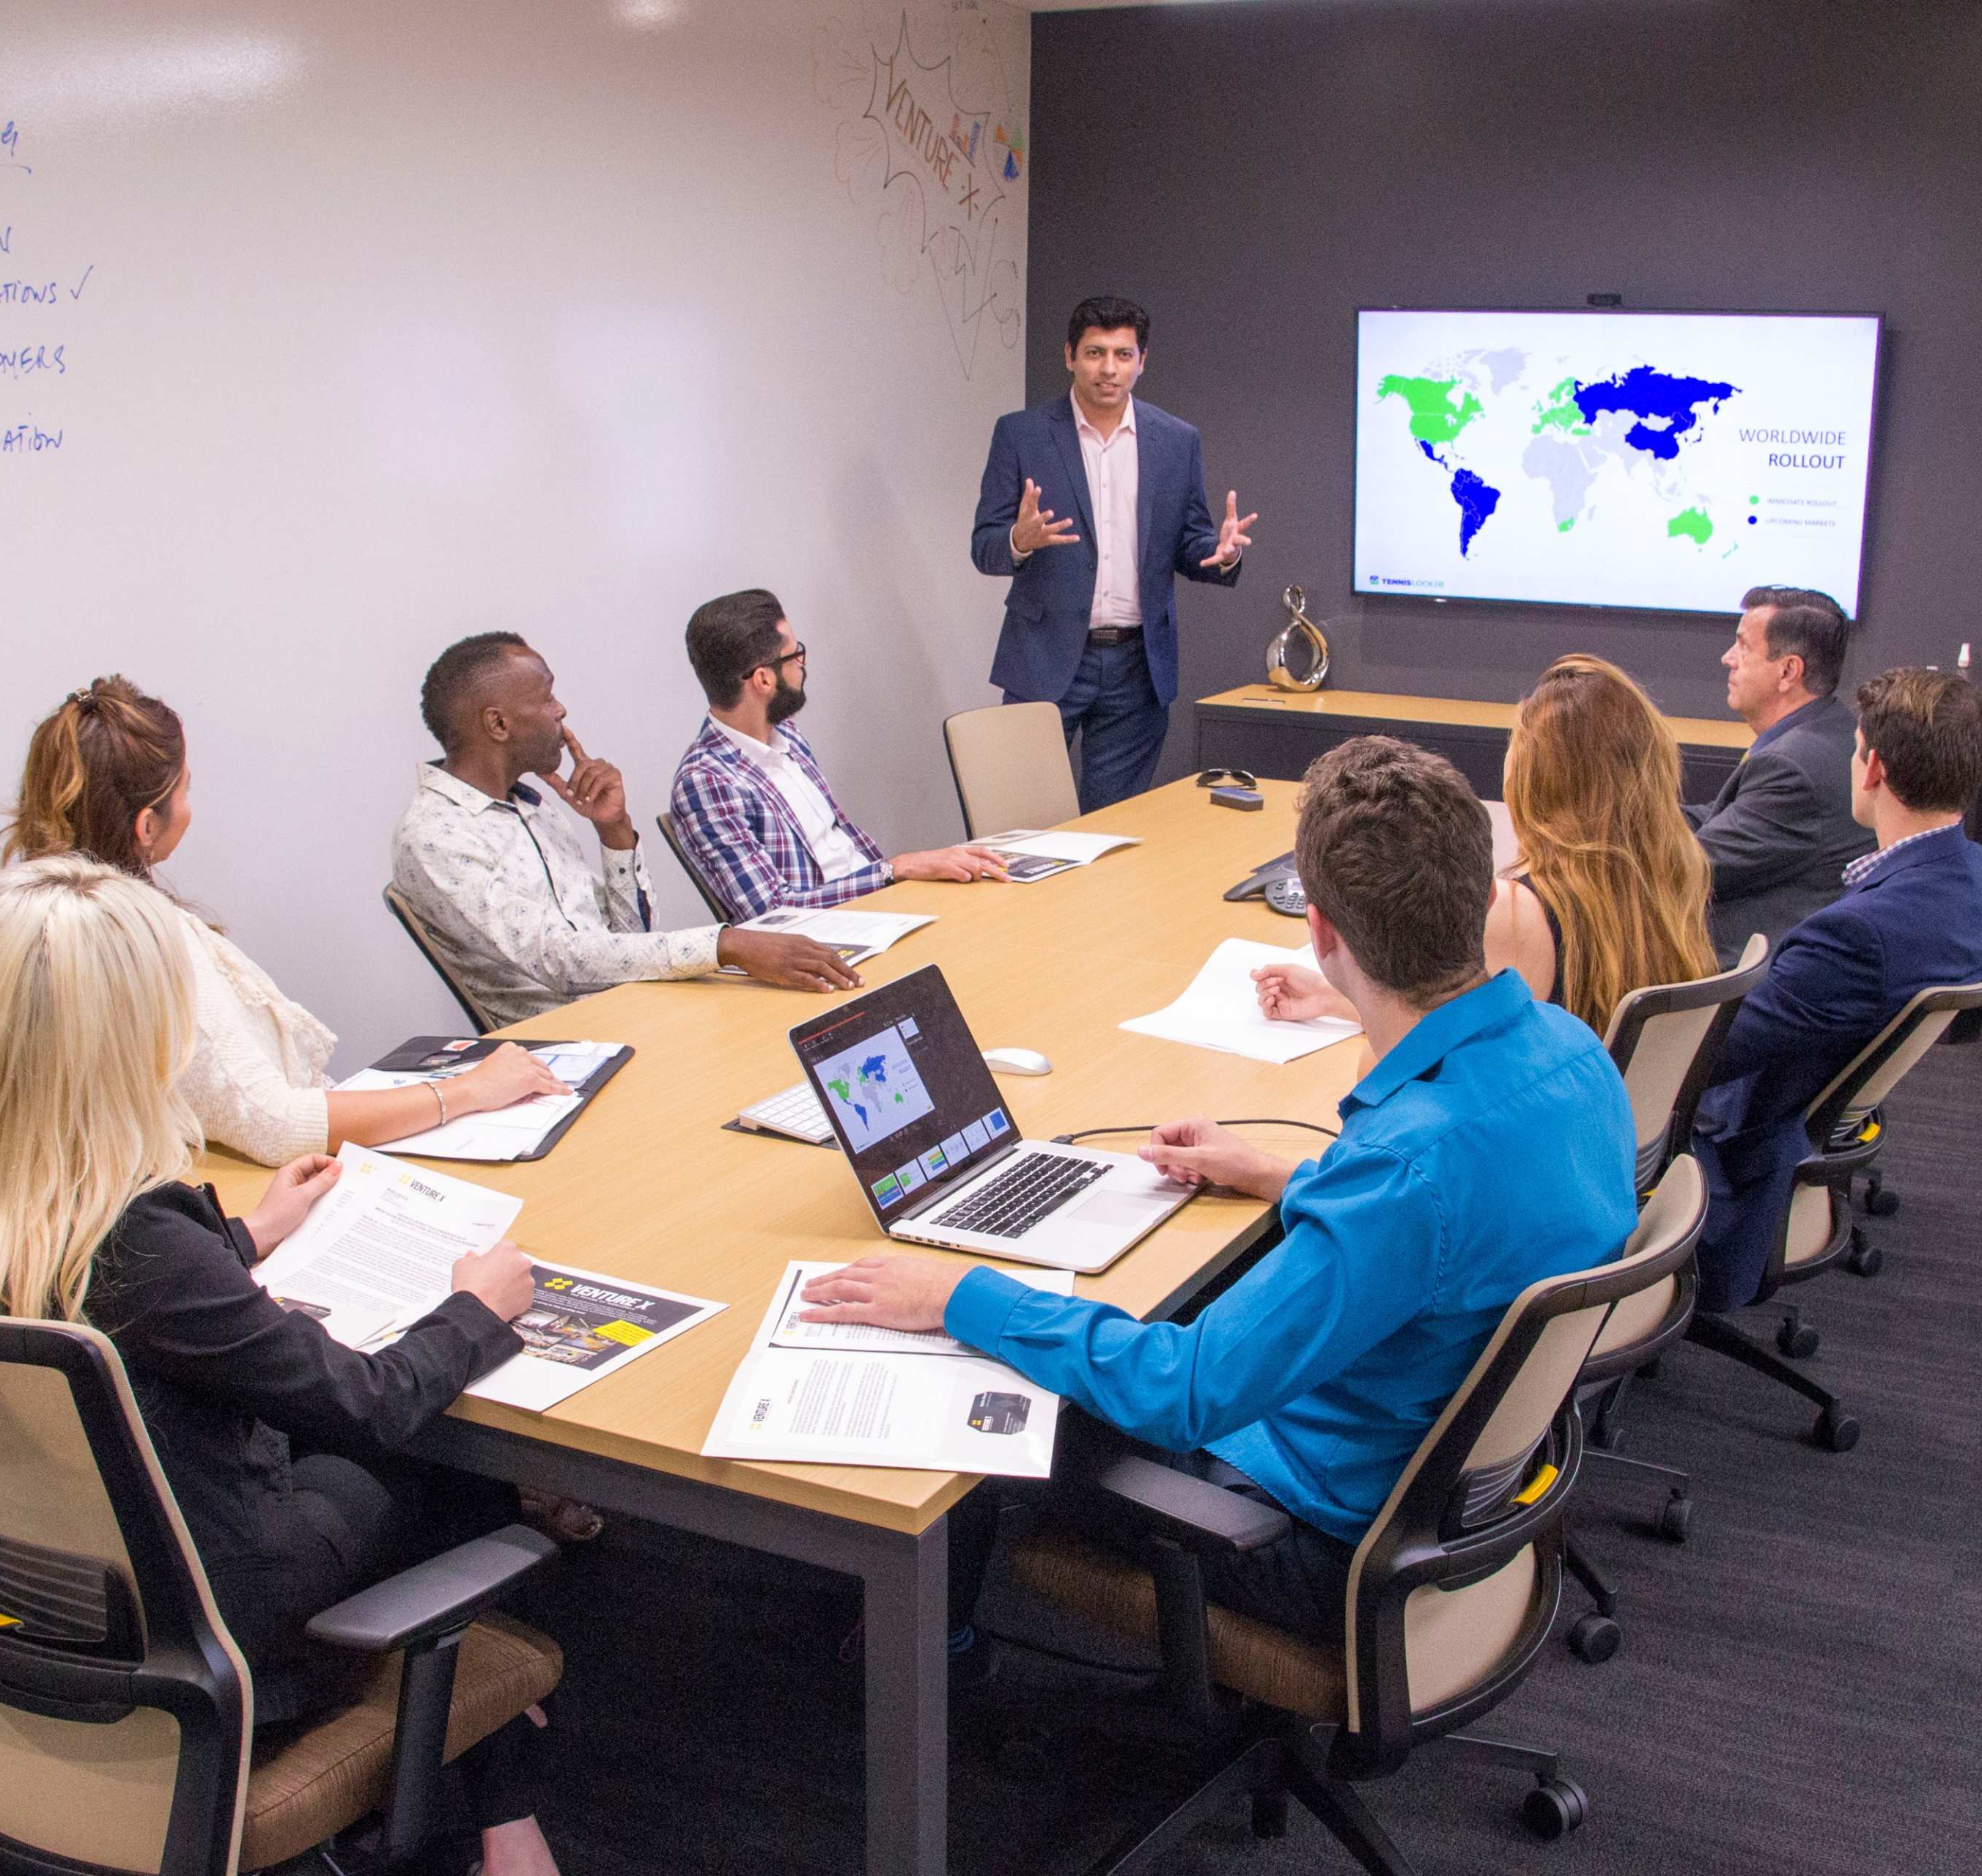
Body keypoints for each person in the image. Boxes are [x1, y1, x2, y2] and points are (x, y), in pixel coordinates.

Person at [797, 736, 1636, 1647]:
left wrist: (961, 1295)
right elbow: (1461, 1223)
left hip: (1313, 1536)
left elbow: (1182, 1390)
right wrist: (1285, 1174)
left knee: (997, 1374)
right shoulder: (1572, 1051)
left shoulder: (1402, 1168)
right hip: (1449, 1490)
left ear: (1320, 931)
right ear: (1482, 898)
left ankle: (926, 1661)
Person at [0, 857, 572, 1876]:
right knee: (447, 1459)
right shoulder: (134, 1238)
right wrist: (473, 1308)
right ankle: (509, 1809)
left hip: (23, 1595)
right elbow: (369, 1400)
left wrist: (245, 1235)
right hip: (211, 1635)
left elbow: (79, 1279)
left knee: (327, 1410)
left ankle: (496, 1771)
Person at [0, 678, 567, 1166]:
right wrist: (467, 1091)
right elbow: (275, 1123)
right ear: (147, 826)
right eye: (186, 789)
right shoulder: (145, 939)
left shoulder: (17, 914)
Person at [1689, 666, 1982, 1314]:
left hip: (1740, 1145)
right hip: (1808, 1103)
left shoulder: (1857, 937)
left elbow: (1700, 1059)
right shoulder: (1971, 869)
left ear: (1873, 768)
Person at [391, 632, 862, 1030]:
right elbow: (561, 959)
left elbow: (625, 940)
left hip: (632, 1013)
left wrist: (615, 835)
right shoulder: (437, 835)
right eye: (547, 697)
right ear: (498, 724)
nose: (561, 711)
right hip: (570, 1052)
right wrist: (725, 944)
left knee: (816, 1012)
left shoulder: (531, 809)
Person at [1253, 653, 1716, 1043]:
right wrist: (1336, 999)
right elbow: (1457, 1027)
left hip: (1530, 1143)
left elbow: (1422, 1048)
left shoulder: (1515, 912)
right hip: (1606, 1137)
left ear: (1538, 780)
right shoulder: (1676, 873)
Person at [969, 293, 1259, 812]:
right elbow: (984, 547)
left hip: (1136, 665)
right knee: (1025, 824)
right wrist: (1018, 540)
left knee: (1112, 826)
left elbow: (1191, 543)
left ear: (1142, 361)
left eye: (1123, 355)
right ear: (1069, 356)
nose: (1109, 368)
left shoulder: (1176, 440)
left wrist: (1221, 552)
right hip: (1045, 657)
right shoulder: (1021, 434)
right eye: (1095, 352)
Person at [668, 589, 1009, 920]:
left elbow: (841, 846)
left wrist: (904, 876)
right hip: (832, 942)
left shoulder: (785, 734)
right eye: (794, 654)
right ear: (763, 680)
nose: (801, 664)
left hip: (882, 907)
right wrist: (895, 870)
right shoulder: (707, 781)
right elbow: (773, 912)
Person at [1687, 585, 1876, 961]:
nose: (1728, 658)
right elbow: (1720, 819)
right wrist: (1627, 818)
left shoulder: (1793, 766)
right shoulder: (1830, 729)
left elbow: (1690, 867)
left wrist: (1578, 842)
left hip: (1745, 979)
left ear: (1789, 670)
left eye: (1743, 646)